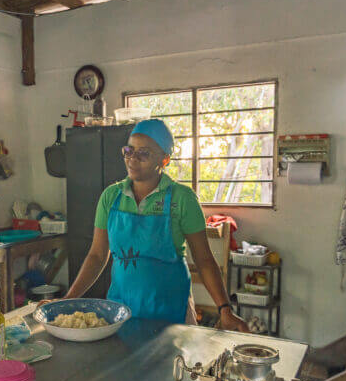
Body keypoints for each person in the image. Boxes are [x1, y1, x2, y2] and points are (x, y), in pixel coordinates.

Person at [61, 119, 247, 331]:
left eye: (144, 153)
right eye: (129, 150)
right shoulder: (111, 197)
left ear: (165, 159)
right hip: (121, 310)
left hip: (171, 311)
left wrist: (224, 309)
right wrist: (68, 299)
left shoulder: (182, 199)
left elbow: (204, 259)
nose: (132, 159)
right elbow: (96, 256)